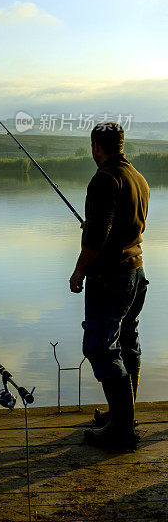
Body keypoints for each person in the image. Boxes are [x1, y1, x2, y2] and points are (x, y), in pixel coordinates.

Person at [69, 121, 150, 451]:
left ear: (96, 147)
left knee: (101, 348)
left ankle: (121, 431)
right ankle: (122, 418)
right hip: (136, 271)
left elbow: (95, 240)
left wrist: (78, 272)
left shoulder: (104, 179)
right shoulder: (136, 177)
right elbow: (122, 224)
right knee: (127, 340)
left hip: (111, 277)